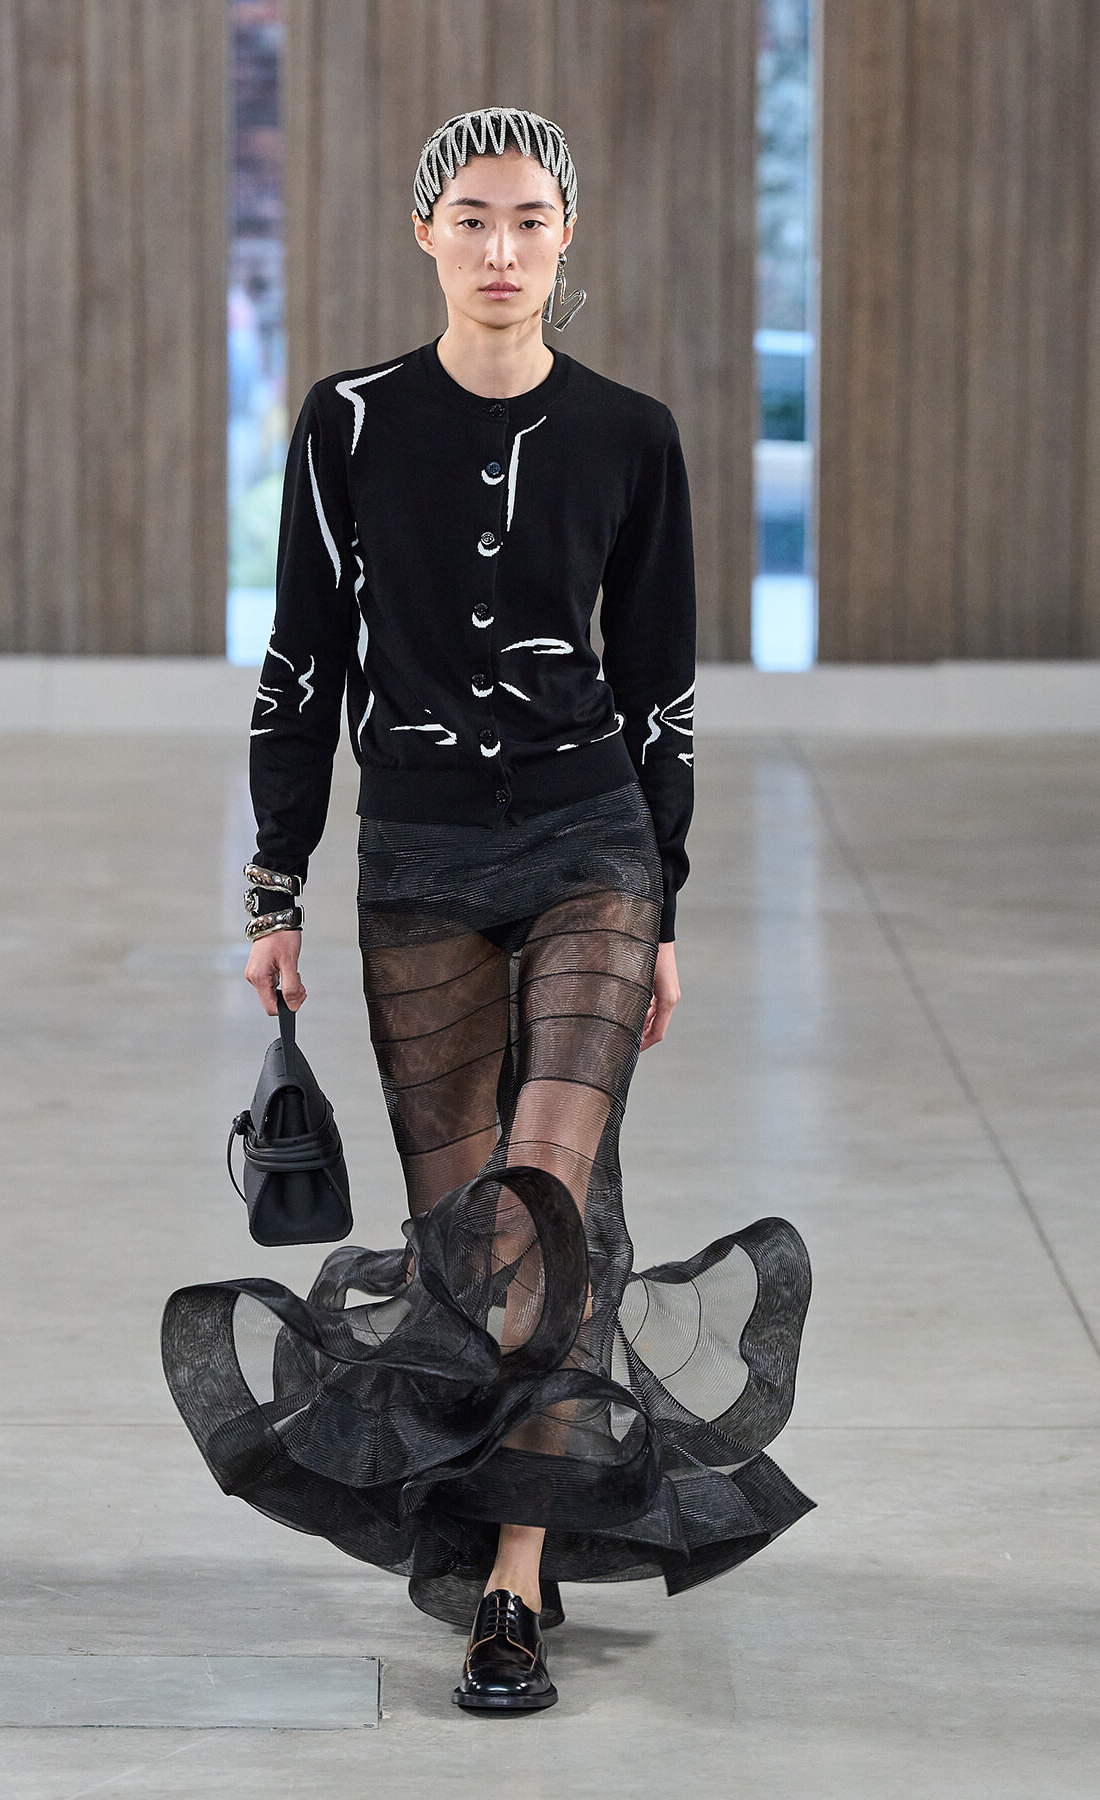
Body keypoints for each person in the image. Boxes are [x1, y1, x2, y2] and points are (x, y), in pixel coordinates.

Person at [163, 107, 812, 1714]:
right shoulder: (350, 423)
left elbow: (658, 687)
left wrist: (663, 906)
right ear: (426, 232)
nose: (502, 248)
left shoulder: (633, 434)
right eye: (473, 218)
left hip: (593, 842)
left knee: (547, 1197)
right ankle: (500, 1521)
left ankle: (513, 1587)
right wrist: (273, 885)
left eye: (530, 219)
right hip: (423, 864)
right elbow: (302, 667)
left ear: (569, 233)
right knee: (479, 1244)